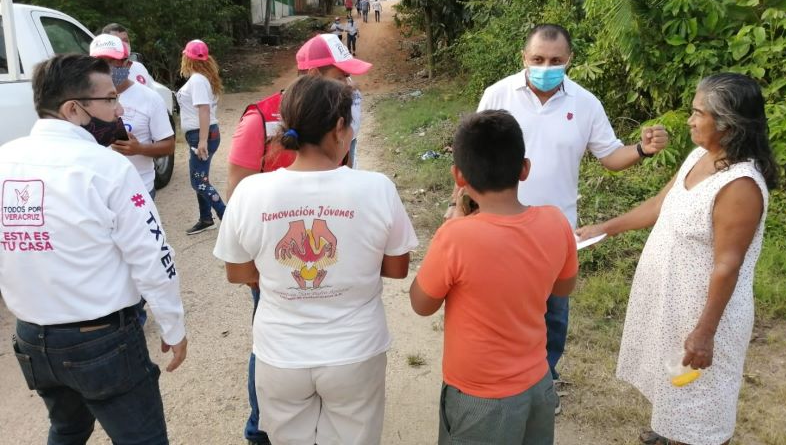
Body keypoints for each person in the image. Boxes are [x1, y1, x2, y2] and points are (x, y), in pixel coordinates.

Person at [459, 23, 668, 408]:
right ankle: (500, 383)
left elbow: (610, 157)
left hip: (556, 234)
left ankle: (544, 380)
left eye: (556, 61)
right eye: (538, 59)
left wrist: (641, 149)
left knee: (553, 317)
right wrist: (463, 205)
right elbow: (474, 152)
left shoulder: (585, 104)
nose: (546, 66)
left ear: (569, 61)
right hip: (497, 226)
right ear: (524, 58)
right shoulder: (498, 94)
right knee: (498, 309)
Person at [214, 75, 417, 445]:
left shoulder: (251, 192)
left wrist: (283, 277)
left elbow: (238, 271)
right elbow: (397, 268)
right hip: (355, 353)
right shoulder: (377, 188)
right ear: (340, 127)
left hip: (280, 355)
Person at [577, 73, 778, 445]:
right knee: (674, 387)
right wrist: (605, 227)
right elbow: (660, 204)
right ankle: (669, 432)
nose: (689, 120)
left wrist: (704, 333)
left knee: (700, 408)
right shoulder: (701, 156)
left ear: (727, 124)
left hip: (702, 314)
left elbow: (727, 266)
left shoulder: (740, 186)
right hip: (673, 306)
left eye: (697, 112)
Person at [0, 53, 187, 444]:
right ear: (73, 108)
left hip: (32, 338)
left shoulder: (5, 160)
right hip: (99, 339)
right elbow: (151, 254)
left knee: (67, 429)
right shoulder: (106, 167)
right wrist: (172, 323)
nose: (118, 109)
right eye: (109, 100)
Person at [226, 33, 372, 445]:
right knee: (272, 341)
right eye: (339, 75)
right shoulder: (259, 119)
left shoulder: (337, 118)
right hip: (275, 259)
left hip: (324, 252)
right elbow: (237, 190)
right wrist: (254, 264)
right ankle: (261, 428)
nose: (348, 85)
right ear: (312, 74)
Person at [411, 110, 578, 445]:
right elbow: (563, 287)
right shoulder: (556, 222)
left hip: (479, 397)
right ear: (525, 169)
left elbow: (421, 303)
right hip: (537, 381)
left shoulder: (455, 237)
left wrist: (453, 223)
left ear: (459, 176)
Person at [89, 34, 175, 200]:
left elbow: (169, 146)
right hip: (99, 192)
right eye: (98, 62)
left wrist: (139, 149)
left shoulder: (150, 98)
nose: (105, 69)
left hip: (139, 190)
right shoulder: (83, 99)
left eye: (112, 62)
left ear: (127, 64)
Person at [176, 39, 226, 235]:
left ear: (187, 58)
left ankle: (227, 217)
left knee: (199, 182)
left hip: (201, 136)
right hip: (203, 134)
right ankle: (206, 218)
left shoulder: (197, 80)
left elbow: (204, 109)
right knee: (200, 178)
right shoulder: (204, 78)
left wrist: (203, 140)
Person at [101, 22, 154, 88]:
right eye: (117, 41)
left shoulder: (139, 67)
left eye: (125, 41)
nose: (123, 44)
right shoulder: (98, 71)